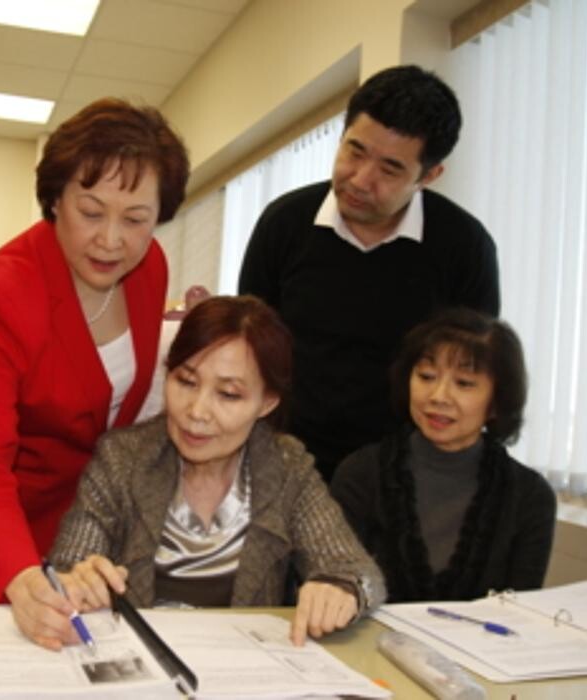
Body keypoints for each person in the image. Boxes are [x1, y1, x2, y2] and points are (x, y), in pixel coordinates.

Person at [0, 98, 190, 615]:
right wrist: (19, 574)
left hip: (77, 515)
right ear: (56, 199)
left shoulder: (149, 266)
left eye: (136, 219)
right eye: (91, 212)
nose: (111, 240)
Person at [42, 296, 385, 650]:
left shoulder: (286, 467)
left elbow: (357, 570)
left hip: (242, 667)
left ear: (267, 402)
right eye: (186, 381)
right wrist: (78, 579)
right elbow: (68, 564)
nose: (197, 411)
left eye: (228, 394)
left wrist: (342, 589)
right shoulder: (123, 458)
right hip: (137, 662)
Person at [238, 65, 500, 483]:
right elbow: (249, 349)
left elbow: (472, 370)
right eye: (354, 151)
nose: (360, 180)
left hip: (401, 476)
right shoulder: (284, 223)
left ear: (429, 176)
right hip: (285, 463)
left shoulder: (464, 247)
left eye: (390, 169)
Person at [330, 307, 556, 602]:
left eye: (464, 383)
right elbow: (333, 582)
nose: (438, 396)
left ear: (497, 402)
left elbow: (519, 611)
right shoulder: (360, 474)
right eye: (426, 376)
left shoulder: (530, 497)